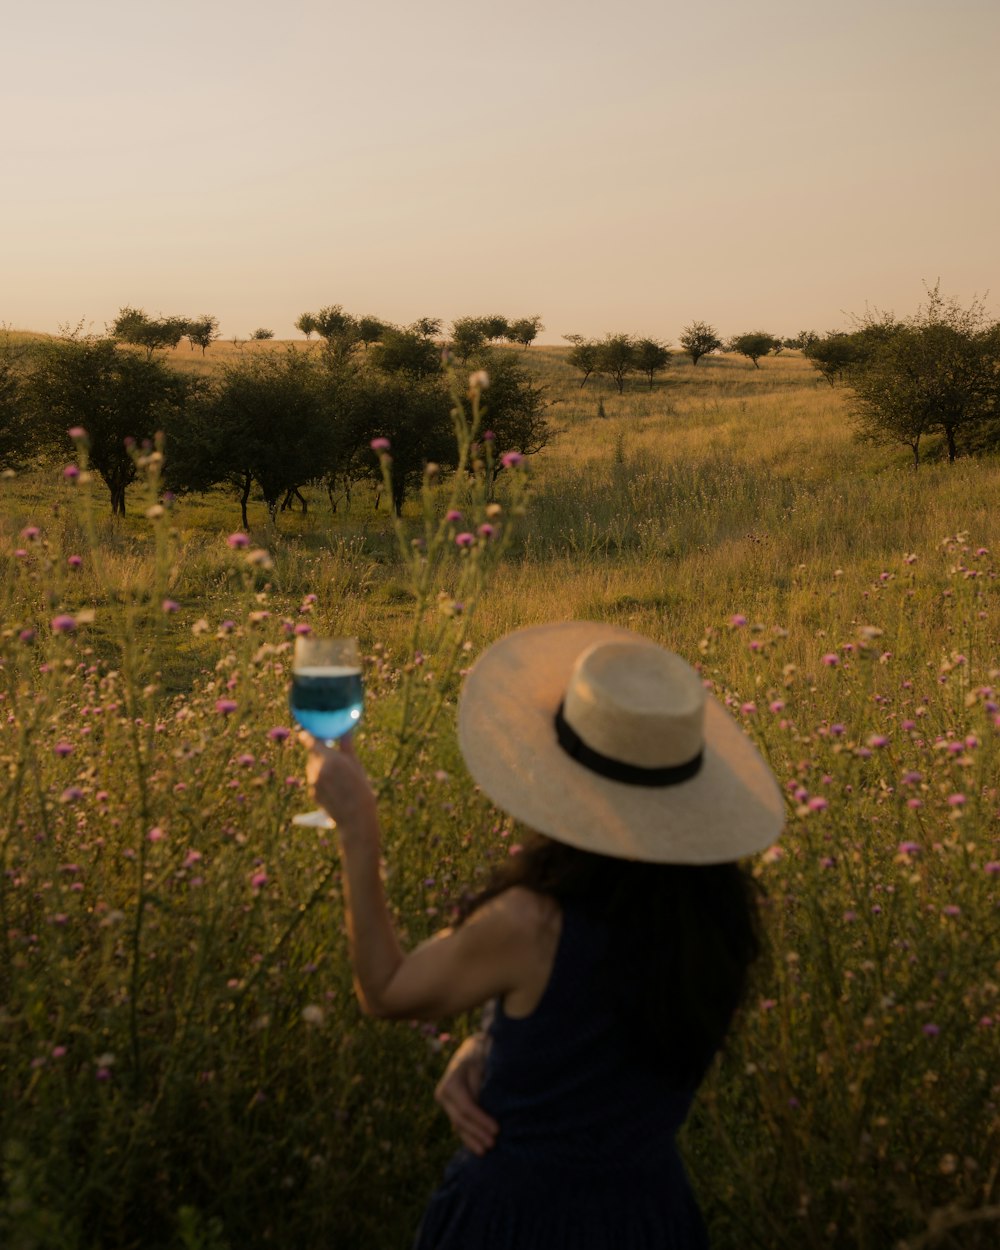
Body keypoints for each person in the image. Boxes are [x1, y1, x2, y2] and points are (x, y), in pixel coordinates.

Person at [303, 620, 784, 1248]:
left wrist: (357, 828)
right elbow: (596, 1037)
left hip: (518, 1220)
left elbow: (387, 989)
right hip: (650, 1216)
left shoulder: (532, 924)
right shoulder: (715, 919)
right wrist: (492, 1050)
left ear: (567, 778)